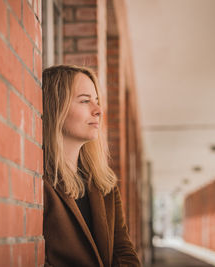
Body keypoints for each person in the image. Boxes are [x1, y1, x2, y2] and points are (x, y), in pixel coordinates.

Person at [42, 65, 141, 267]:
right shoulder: (38, 181)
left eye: (97, 102)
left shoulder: (104, 183)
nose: (98, 111)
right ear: (55, 107)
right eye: (85, 101)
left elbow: (123, 250)